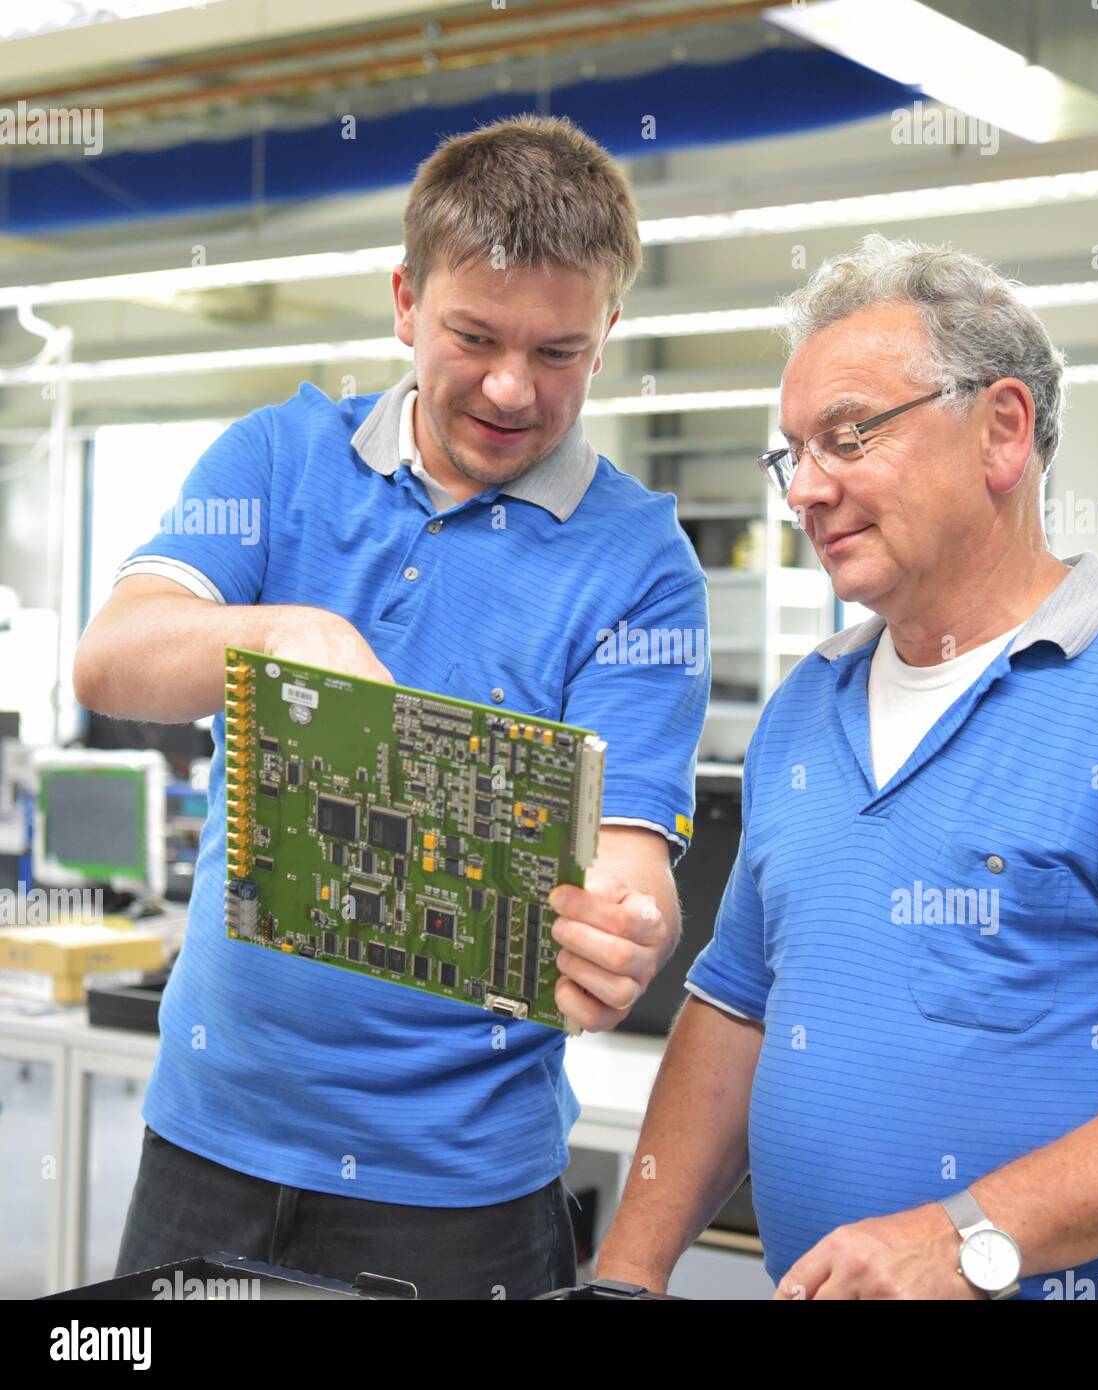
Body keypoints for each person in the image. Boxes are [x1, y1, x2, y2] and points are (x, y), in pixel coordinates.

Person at [73, 114, 710, 1299]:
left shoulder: (640, 566)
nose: (513, 389)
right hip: (208, 1137)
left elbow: (627, 853)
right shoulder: (279, 459)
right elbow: (111, 660)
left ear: (608, 332)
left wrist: (623, 929)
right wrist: (284, 634)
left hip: (457, 1191)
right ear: (406, 300)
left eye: (560, 352)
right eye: (474, 336)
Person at [595, 233, 1098, 1300]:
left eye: (847, 436)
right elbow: (736, 1010)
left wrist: (968, 1236)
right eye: (792, 453)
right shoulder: (805, 707)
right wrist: (627, 1274)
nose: (805, 493)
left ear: (1002, 431)